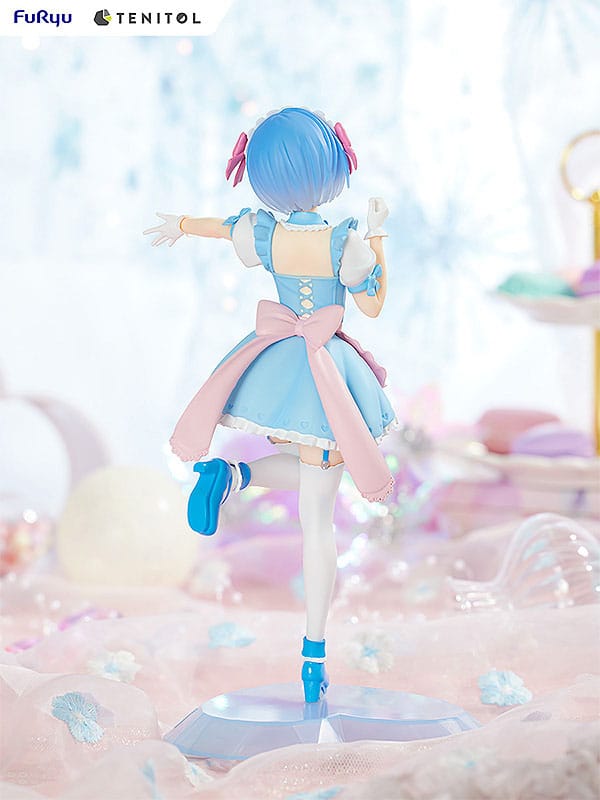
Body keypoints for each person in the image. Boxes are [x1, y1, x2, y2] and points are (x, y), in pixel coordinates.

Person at [144, 107, 396, 703]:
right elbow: (374, 303)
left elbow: (222, 227)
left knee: (316, 472)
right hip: (323, 369)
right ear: (331, 169)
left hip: (281, 362)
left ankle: (233, 474)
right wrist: (378, 236)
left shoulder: (267, 235)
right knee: (317, 517)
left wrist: (181, 224)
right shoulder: (345, 241)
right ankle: (313, 654)